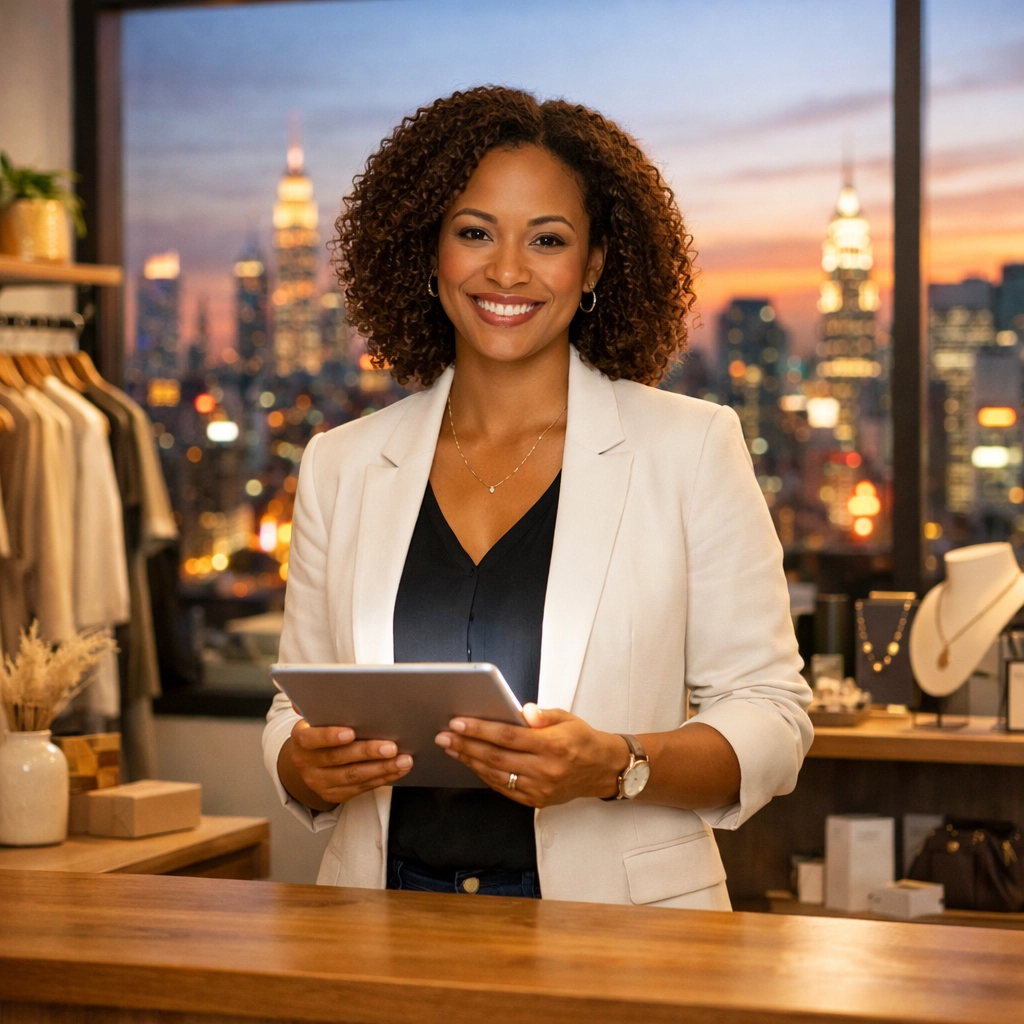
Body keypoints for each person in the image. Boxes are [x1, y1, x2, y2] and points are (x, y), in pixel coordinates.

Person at [263, 86, 812, 909]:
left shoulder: (690, 446)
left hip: (619, 937)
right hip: (378, 921)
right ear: (430, 252)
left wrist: (619, 763)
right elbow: (292, 701)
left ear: (592, 264)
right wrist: (299, 765)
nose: (508, 270)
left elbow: (772, 716)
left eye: (546, 239)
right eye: (475, 232)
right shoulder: (341, 463)